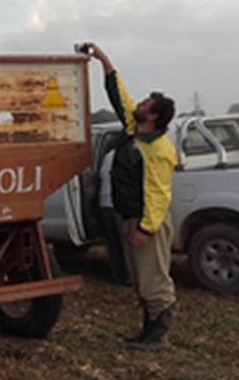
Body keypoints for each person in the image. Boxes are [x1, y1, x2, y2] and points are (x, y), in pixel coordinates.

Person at [82, 42, 177, 349]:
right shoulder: (137, 132)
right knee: (141, 279)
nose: (139, 103)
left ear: (154, 117)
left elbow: (158, 194)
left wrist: (145, 229)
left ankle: (157, 336)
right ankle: (147, 332)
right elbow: (119, 95)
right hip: (132, 218)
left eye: (146, 103)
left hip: (148, 222)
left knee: (154, 280)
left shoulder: (158, 150)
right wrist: (103, 60)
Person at [97, 143, 130, 285]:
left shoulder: (108, 156)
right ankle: (130, 276)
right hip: (118, 203)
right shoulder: (127, 155)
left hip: (104, 203)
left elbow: (100, 175)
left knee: (113, 243)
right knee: (126, 242)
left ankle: (117, 276)